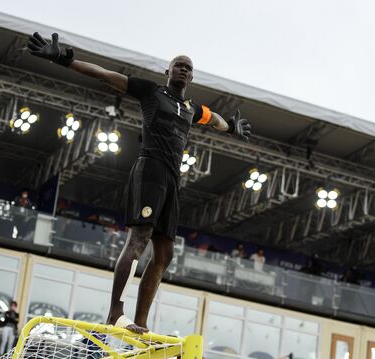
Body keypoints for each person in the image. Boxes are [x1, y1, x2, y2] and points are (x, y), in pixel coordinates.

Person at [28, 32, 251, 334]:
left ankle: (142, 322)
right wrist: (64, 59)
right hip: (151, 170)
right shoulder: (151, 92)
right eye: (179, 65)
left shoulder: (192, 109)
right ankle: (115, 312)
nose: (184, 69)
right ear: (168, 71)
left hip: (172, 180)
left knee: (165, 254)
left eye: (189, 67)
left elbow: (216, 120)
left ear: (192, 77)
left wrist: (232, 128)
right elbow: (106, 75)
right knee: (139, 239)